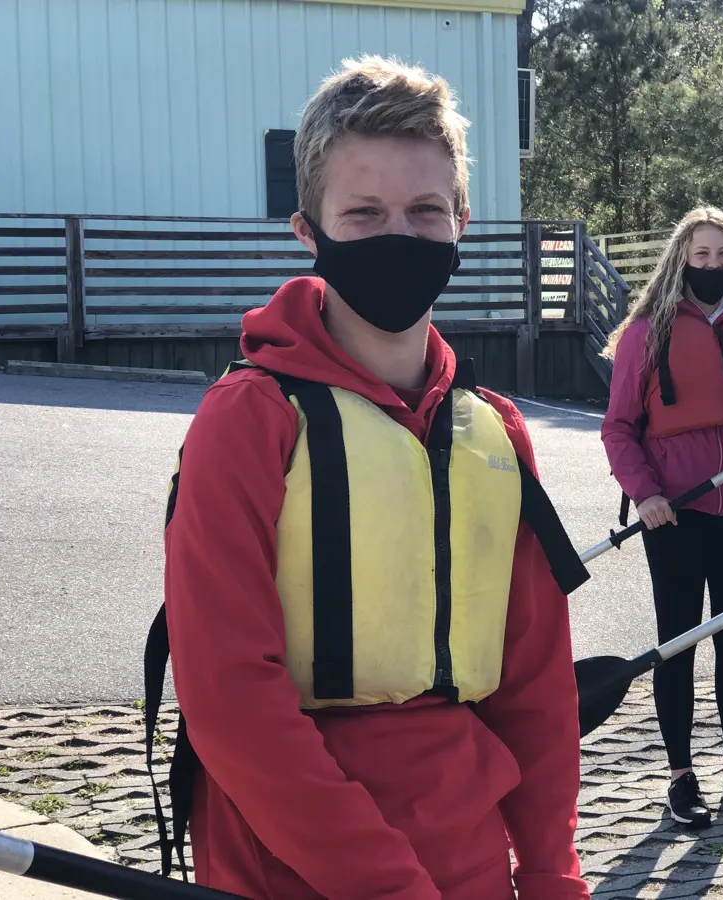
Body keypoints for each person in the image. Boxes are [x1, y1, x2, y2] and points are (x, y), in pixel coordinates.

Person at [142, 55, 593, 900]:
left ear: (462, 218)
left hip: (466, 857)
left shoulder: (494, 431)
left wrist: (550, 873)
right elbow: (231, 701)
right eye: (364, 213)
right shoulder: (248, 422)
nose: (401, 236)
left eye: (427, 211)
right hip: (286, 865)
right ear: (308, 230)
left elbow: (537, 689)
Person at [599, 207, 723, 828]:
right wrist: (646, 493)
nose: (712, 265)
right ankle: (681, 777)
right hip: (674, 514)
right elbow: (618, 429)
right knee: (679, 642)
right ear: (680, 259)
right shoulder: (647, 332)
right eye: (701, 254)